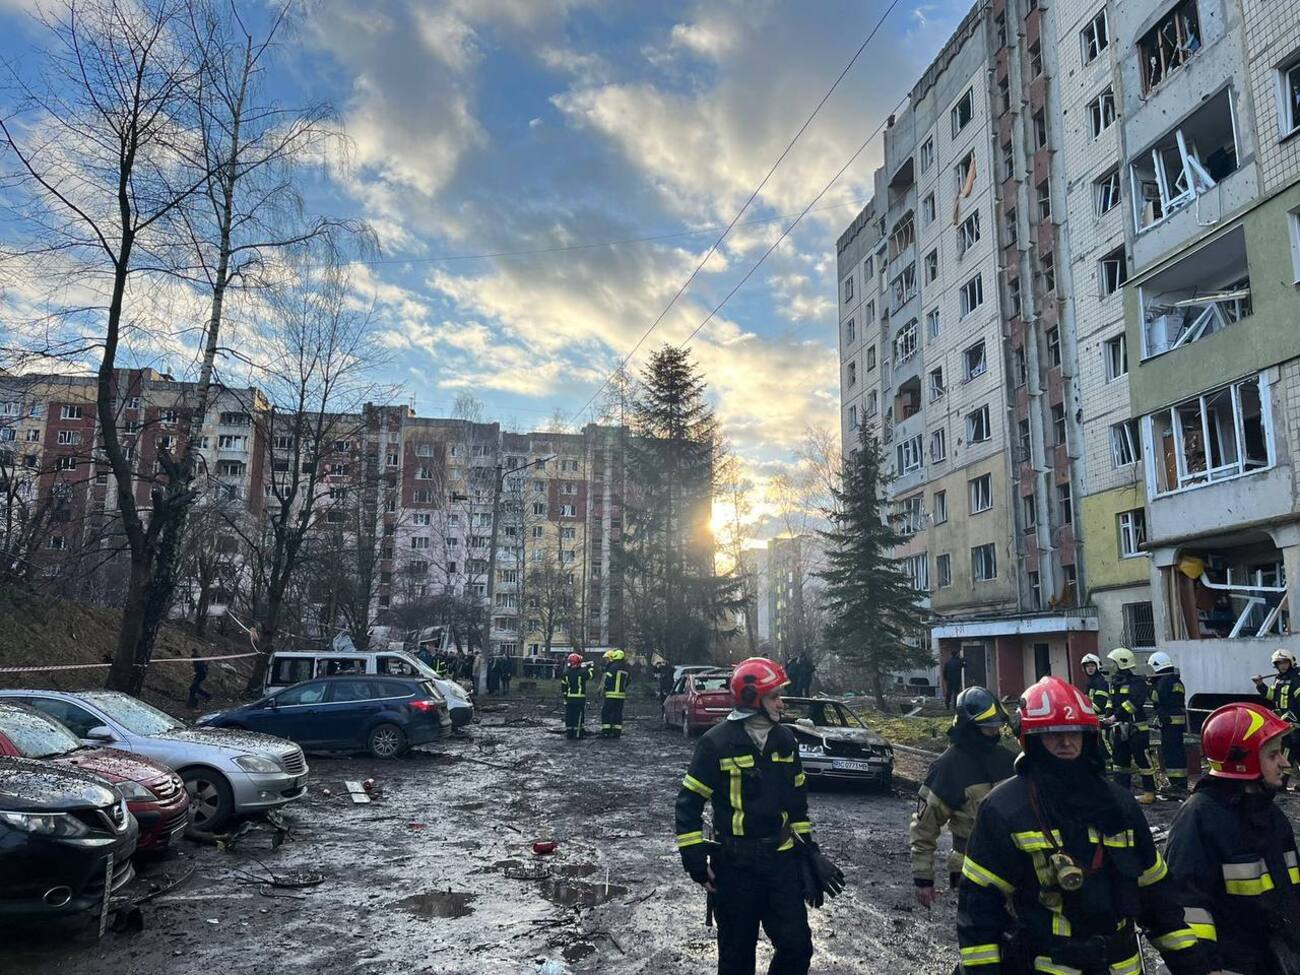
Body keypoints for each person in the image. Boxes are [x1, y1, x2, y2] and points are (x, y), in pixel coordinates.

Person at [957, 675, 1209, 975]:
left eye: (1075, 732)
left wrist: (1196, 967)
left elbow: (1159, 900)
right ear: (1031, 739)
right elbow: (979, 910)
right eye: (1054, 733)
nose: (1066, 742)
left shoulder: (1119, 804)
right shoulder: (1004, 808)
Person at [675, 657, 827, 975]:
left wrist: (808, 852)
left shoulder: (785, 741)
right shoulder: (715, 743)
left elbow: (798, 805)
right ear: (751, 699)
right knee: (736, 958)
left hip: (780, 866)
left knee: (797, 946)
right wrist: (695, 863)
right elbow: (688, 806)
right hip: (734, 869)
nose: (782, 704)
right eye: (775, 696)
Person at [1164, 701, 1300, 974]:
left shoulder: (1270, 814)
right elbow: (1184, 907)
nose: (1284, 763)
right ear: (1244, 760)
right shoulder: (1199, 818)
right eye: (1273, 755)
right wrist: (1203, 966)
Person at [910, 686, 1015, 908]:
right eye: (988, 727)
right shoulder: (948, 768)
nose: (995, 732)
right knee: (978, 935)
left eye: (997, 725)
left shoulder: (1008, 760)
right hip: (970, 867)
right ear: (970, 727)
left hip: (1013, 865)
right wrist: (923, 879)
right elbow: (923, 827)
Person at [1106, 646, 1157, 805]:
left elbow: (1134, 703)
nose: (1112, 666)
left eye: (1114, 663)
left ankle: (1149, 792)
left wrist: (1116, 716)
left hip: (1136, 728)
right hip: (1119, 728)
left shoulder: (1137, 682)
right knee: (1120, 762)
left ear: (1123, 663)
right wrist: (1108, 716)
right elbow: (1110, 701)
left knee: (1143, 760)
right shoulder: (1115, 683)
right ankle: (1122, 793)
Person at [1253, 649, 1300, 784]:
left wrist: (1292, 717)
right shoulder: (1278, 679)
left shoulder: (1297, 679)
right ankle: (1282, 782)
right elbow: (1271, 696)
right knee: (1291, 752)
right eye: (1279, 663)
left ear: (1291, 662)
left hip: (1295, 725)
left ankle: (1281, 782)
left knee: (1287, 752)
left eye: (1285, 662)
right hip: (1286, 724)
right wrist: (1260, 685)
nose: (1282, 666)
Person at [1148, 651, 1188, 796]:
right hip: (1177, 723)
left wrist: (1150, 687)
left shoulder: (1164, 681)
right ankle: (1180, 784)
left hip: (1169, 723)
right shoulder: (1176, 680)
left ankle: (1176, 786)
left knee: (1171, 754)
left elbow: (1157, 699)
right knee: (1178, 752)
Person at [560, 652, 592, 740]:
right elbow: (590, 676)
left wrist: (566, 697)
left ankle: (569, 733)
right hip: (580, 698)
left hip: (569, 698)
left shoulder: (566, 673)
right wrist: (590, 667)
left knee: (569, 716)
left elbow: (563, 687)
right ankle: (578, 733)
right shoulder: (582, 672)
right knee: (579, 716)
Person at [600, 649, 630, 739]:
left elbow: (608, 680)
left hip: (611, 694)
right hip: (621, 695)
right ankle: (617, 732)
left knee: (606, 712)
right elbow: (628, 681)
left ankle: (606, 732)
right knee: (618, 714)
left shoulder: (613, 667)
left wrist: (605, 689)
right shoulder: (626, 668)